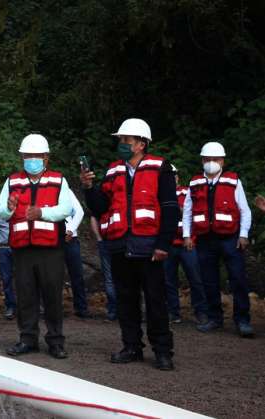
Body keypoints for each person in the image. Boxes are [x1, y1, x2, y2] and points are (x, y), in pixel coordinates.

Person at [81, 118, 176, 371]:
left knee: (156, 300)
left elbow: (169, 207)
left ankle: (163, 351)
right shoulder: (113, 170)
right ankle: (132, 346)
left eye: (126, 140)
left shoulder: (160, 168)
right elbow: (100, 207)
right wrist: (89, 187)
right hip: (120, 246)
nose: (121, 144)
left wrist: (163, 244)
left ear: (141, 144)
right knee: (126, 300)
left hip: (150, 247)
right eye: (120, 140)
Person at [0, 134, 72, 360]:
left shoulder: (59, 180)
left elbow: (66, 209)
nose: (31, 160)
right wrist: (9, 208)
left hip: (51, 249)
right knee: (26, 295)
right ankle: (27, 339)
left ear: (46, 158)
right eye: (27, 156)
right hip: (22, 249)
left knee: (52, 296)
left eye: (36, 156)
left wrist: (42, 213)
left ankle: (56, 341)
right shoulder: (12, 181)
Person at [183, 142, 254, 337]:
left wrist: (243, 235)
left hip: (230, 239)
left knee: (238, 279)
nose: (211, 163)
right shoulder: (195, 182)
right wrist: (187, 235)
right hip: (205, 239)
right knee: (209, 281)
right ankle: (215, 318)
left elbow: (245, 211)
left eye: (215, 159)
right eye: (207, 159)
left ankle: (243, 320)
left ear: (223, 160)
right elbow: (188, 211)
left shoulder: (233, 181)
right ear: (202, 160)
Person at [164, 165, 208, 325]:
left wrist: (178, 210)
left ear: (177, 177)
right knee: (168, 280)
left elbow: (192, 213)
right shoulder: (159, 195)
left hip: (187, 243)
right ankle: (173, 312)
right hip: (168, 244)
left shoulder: (187, 191)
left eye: (173, 175)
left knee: (195, 278)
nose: (171, 178)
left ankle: (201, 312)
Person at [63, 189, 89, 318]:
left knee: (77, 274)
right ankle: (52, 307)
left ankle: (81, 307)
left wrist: (71, 230)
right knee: (51, 275)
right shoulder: (43, 190)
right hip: (50, 238)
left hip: (70, 238)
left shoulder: (66, 190)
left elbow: (79, 211)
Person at [89, 216, 117, 321]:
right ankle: (115, 311)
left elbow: (93, 216)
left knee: (111, 279)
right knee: (112, 278)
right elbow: (93, 217)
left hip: (111, 242)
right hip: (112, 242)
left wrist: (99, 238)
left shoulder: (101, 201)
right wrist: (99, 238)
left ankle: (113, 312)